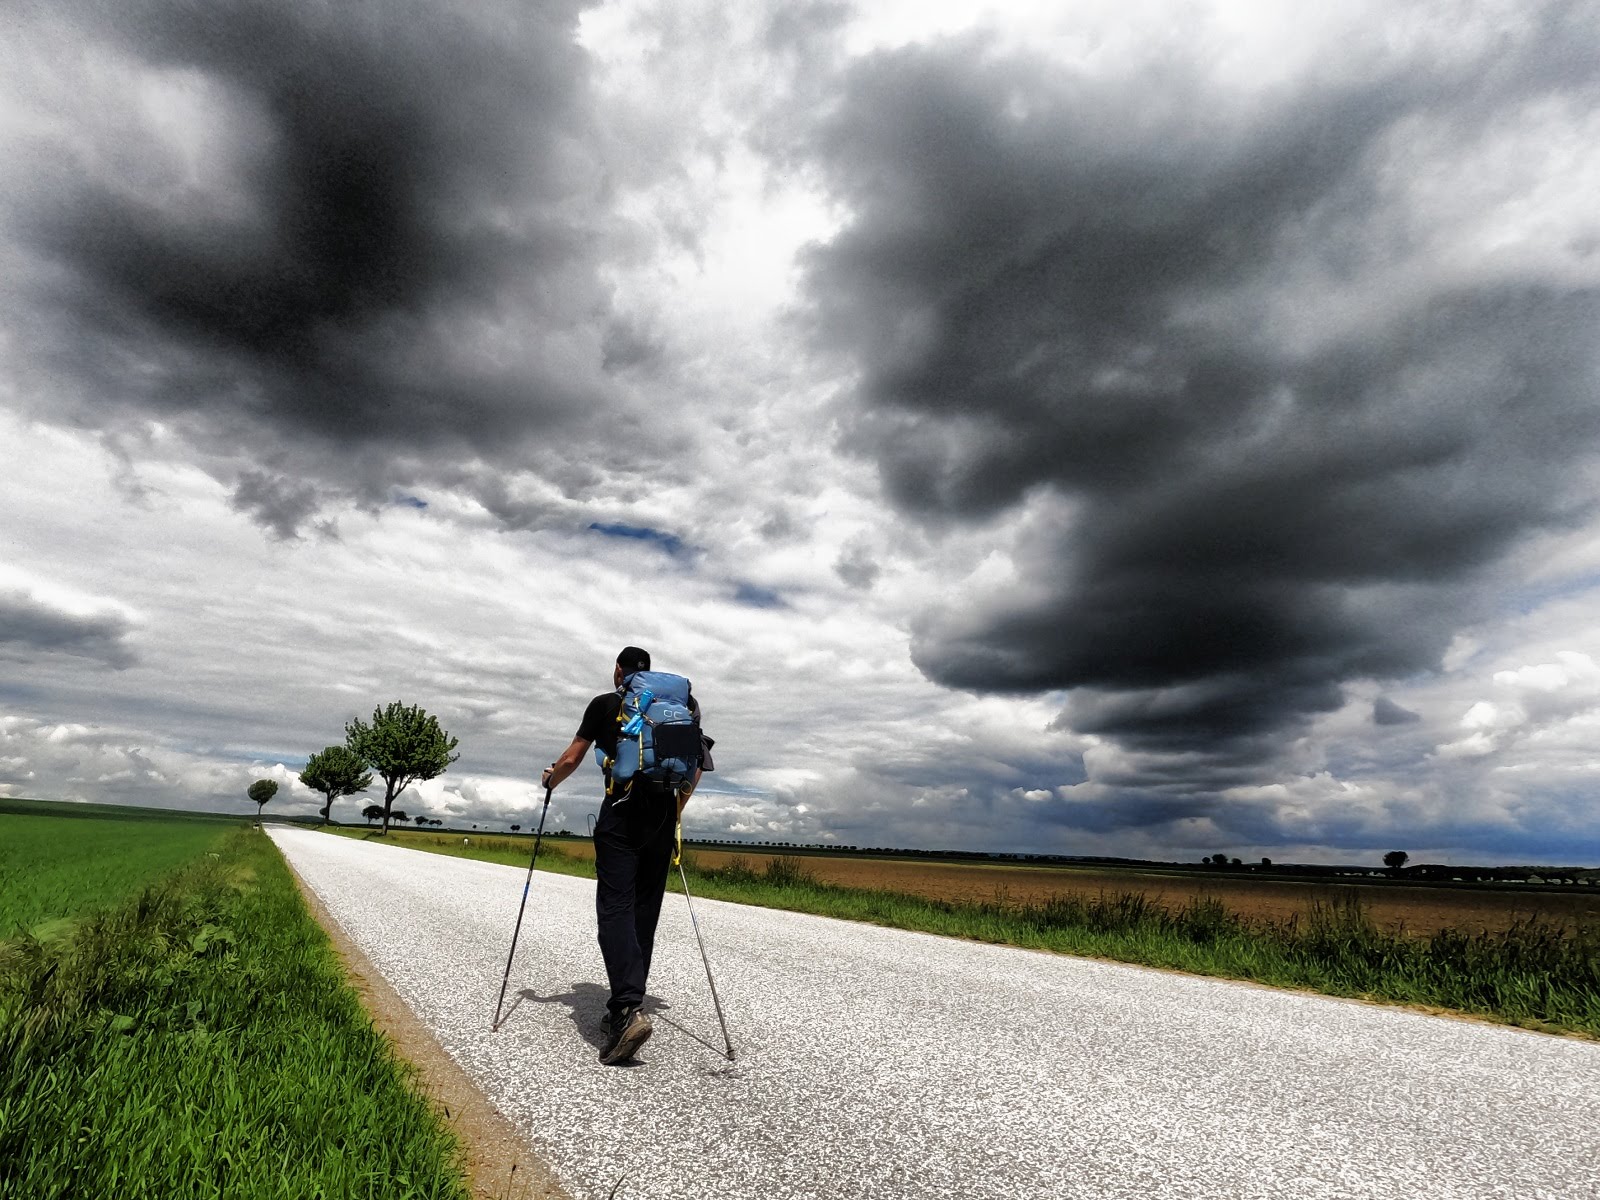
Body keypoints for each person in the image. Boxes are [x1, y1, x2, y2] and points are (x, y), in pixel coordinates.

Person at [542, 646, 705, 1064]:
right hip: (663, 816)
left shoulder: (606, 705)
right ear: (648, 672)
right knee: (644, 912)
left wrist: (550, 781)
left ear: (619, 670)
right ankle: (623, 1006)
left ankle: (628, 1009)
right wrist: (674, 812)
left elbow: (572, 758)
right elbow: (697, 766)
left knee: (614, 910)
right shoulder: (685, 707)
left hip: (621, 813)